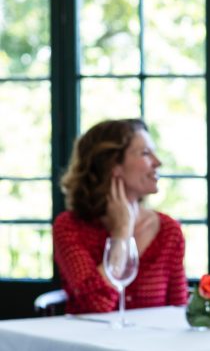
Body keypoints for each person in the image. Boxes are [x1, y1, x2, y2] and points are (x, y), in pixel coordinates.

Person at [53, 119, 188, 314]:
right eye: (145, 153)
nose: (158, 162)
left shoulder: (168, 230)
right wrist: (121, 232)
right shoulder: (70, 226)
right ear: (113, 165)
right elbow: (95, 306)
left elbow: (178, 312)